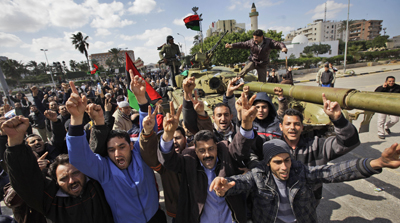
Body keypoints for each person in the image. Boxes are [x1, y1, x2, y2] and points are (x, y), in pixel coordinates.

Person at [210, 139, 400, 223]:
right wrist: (226, 185)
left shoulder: (300, 171)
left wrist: (377, 162)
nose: (284, 167)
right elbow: (241, 182)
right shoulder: (259, 174)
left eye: (287, 160)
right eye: (277, 162)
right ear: (267, 163)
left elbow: (334, 171)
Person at [66, 73, 166, 223]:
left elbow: (148, 131)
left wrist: (141, 100)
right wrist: (76, 118)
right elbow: (79, 157)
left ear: (131, 145)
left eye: (122, 147)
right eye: (111, 150)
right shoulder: (104, 169)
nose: (117, 154)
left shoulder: (140, 153)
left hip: (155, 217)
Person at [156, 92, 257, 223]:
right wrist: (168, 135)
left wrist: (246, 123)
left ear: (217, 146)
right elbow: (168, 161)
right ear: (195, 151)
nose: (207, 154)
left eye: (211, 149)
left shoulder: (225, 149)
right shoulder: (188, 159)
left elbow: (240, 147)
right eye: (202, 151)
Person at [2, 116, 115, 223]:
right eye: (64, 178)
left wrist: (99, 121)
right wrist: (15, 141)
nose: (72, 181)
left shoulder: (96, 185)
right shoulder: (51, 202)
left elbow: (98, 152)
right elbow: (25, 180)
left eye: (75, 173)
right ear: (56, 182)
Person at [277, 93, 361, 202]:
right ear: (281, 127)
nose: (292, 128)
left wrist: (338, 120)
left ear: (302, 127)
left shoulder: (316, 146)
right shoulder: (273, 147)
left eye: (296, 124)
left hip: (308, 202)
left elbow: (349, 142)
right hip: (280, 201)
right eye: (288, 124)